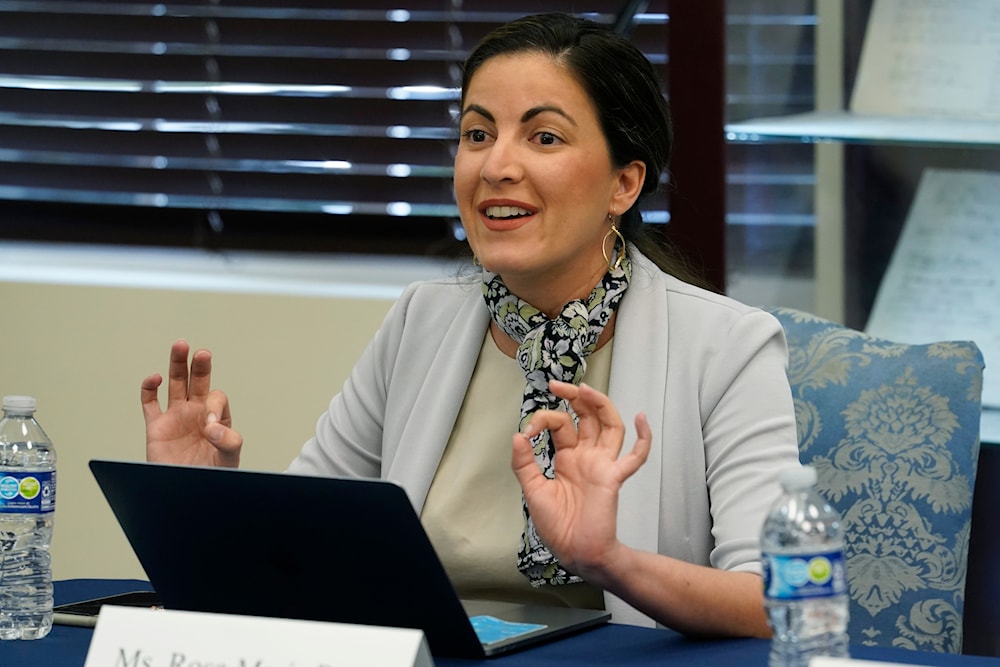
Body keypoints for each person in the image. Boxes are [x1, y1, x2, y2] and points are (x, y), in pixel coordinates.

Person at [141, 12, 800, 639]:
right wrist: (202, 500)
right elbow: (302, 552)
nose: (495, 167)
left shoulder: (727, 347)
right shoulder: (421, 321)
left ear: (623, 185)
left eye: (544, 137)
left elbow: (779, 602)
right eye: (478, 134)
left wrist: (610, 559)